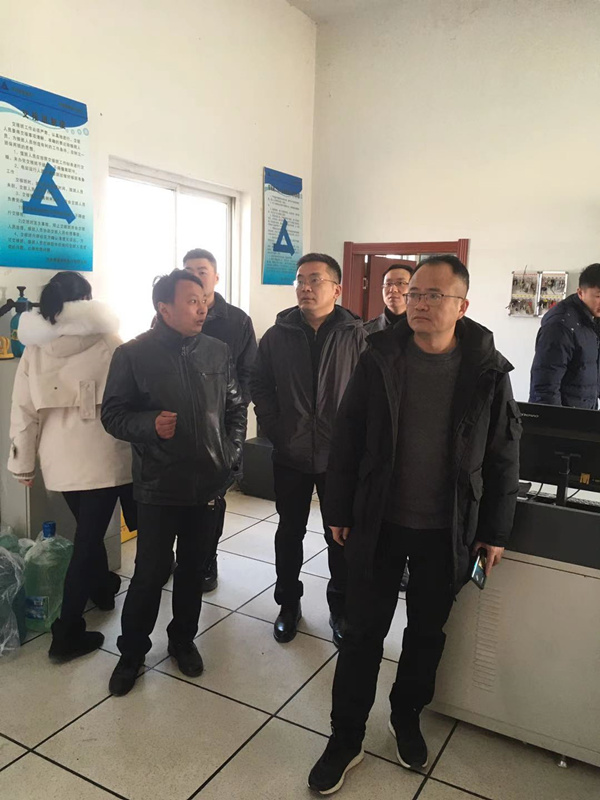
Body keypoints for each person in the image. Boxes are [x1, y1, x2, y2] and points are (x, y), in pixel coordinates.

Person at [308, 255, 521, 794]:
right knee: (361, 633)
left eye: (434, 296)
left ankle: (406, 717)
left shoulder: (488, 370)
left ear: (462, 306)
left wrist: (494, 530)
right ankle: (346, 736)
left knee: (426, 634)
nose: (419, 304)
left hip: (447, 529)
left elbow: (503, 454)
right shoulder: (379, 356)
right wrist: (338, 511)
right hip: (379, 521)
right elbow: (348, 436)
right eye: (415, 294)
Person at [101, 269, 246, 696]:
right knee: (150, 574)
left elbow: (236, 407)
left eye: (203, 300)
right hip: (159, 486)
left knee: (192, 571)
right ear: (164, 309)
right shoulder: (132, 354)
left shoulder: (217, 351)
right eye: (191, 301)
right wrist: (149, 425)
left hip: (208, 486)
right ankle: (132, 652)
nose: (202, 308)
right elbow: (112, 415)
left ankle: (183, 640)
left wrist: (231, 456)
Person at [7, 271, 134, 663]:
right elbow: (131, 399)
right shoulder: (110, 342)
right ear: (87, 299)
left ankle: (102, 590)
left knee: (87, 533)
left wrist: (23, 464)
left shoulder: (35, 348)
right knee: (87, 539)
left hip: (58, 460)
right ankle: (66, 633)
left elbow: (23, 410)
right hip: (104, 455)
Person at [251, 253, 366, 646]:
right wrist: (276, 428)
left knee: (340, 536)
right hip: (292, 453)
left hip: (340, 458)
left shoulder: (358, 336)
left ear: (337, 289)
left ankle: (341, 608)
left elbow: (371, 395)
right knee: (289, 532)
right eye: (300, 279)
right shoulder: (277, 335)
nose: (305, 287)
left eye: (315, 279)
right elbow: (259, 383)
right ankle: (288, 604)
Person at [182, 248, 257, 592]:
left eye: (202, 270)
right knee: (182, 493)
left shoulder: (236, 321)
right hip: (181, 422)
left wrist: (231, 408)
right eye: (188, 270)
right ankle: (183, 557)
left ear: (215, 276)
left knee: (214, 495)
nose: (195, 276)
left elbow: (249, 372)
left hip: (221, 423)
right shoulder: (172, 314)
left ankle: (206, 559)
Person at [529, 263, 600, 408]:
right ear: (580, 293)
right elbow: (545, 386)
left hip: (585, 410)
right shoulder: (560, 325)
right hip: (564, 416)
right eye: (598, 296)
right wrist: (555, 420)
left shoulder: (592, 319)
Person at [364, 264, 413, 333]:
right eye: (388, 284)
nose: (393, 289)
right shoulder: (365, 331)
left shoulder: (423, 329)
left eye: (400, 283)